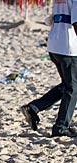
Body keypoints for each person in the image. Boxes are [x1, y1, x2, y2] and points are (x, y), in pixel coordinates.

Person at [20, 0, 77, 138]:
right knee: (72, 87)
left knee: (66, 85)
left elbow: (50, 19)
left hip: (54, 44)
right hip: (68, 46)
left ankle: (34, 108)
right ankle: (61, 126)